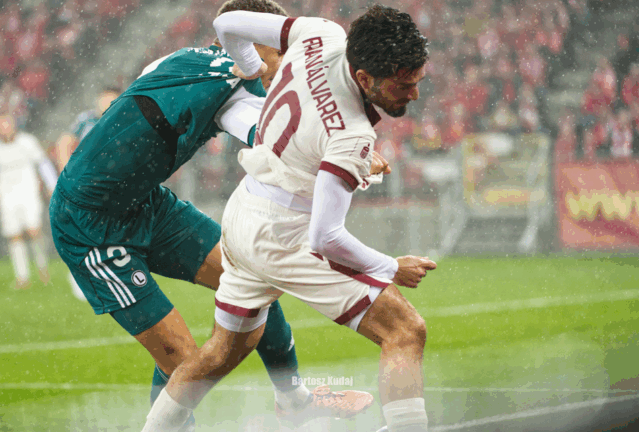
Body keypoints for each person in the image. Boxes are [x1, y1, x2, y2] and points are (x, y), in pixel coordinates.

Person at [49, 0, 379, 429]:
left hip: (147, 203)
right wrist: (348, 151)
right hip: (91, 225)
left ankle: (294, 401)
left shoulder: (183, 60)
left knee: (253, 280)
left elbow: (264, 128)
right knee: (184, 363)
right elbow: (276, 138)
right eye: (283, 49)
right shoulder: (238, 87)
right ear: (257, 41)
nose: (290, 62)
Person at [143, 5, 435, 432]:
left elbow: (226, 22)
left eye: (417, 81)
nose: (414, 94)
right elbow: (326, 238)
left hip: (244, 212)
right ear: (363, 78)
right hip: (285, 235)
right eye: (404, 84)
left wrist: (249, 68)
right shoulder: (352, 133)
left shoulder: (321, 33)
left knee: (221, 353)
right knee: (404, 330)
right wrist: (391, 267)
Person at [53, 86, 121, 301]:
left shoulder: (124, 119)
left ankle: (107, 276)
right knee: (84, 229)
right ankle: (80, 274)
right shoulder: (86, 120)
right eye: (103, 100)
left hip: (112, 183)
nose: (106, 105)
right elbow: (63, 142)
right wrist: (66, 173)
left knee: (109, 231)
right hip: (85, 183)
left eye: (111, 100)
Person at [0, 112, 58, 290]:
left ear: (14, 124)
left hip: (28, 193)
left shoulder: (27, 142)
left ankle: (43, 270)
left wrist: (52, 185)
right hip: (6, 197)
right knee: (14, 236)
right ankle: (22, 277)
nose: (4, 128)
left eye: (7, 123)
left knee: (34, 231)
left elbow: (43, 163)